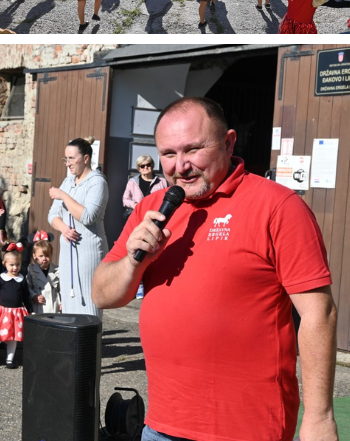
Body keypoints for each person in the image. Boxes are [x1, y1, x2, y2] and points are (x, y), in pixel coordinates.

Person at [92, 97, 338, 441]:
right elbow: (102, 295)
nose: (180, 166)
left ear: (228, 142)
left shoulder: (278, 206)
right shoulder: (151, 210)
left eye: (193, 149)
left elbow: (319, 314)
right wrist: (138, 258)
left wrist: (319, 417)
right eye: (168, 154)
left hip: (248, 428)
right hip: (162, 426)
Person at [47, 137, 107, 316]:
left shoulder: (98, 182)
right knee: (69, 298)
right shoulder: (68, 182)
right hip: (67, 251)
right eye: (66, 159)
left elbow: (88, 216)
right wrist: (64, 229)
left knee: (88, 299)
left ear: (86, 158)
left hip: (89, 251)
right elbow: (52, 215)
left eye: (72, 158)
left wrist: (64, 197)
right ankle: (72, 342)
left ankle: (89, 343)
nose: (68, 164)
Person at [0, 246, 32, 369]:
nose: (15, 268)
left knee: (13, 338)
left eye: (17, 264)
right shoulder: (1, 279)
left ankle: (9, 359)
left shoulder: (21, 279)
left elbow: (26, 296)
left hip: (17, 312)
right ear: (4, 264)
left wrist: (30, 311)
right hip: (4, 313)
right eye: (12, 265)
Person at [122, 155, 167, 221]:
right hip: (137, 216)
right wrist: (134, 204)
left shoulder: (162, 181)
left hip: (155, 217)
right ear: (139, 168)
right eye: (142, 166)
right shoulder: (132, 182)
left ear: (152, 165)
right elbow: (125, 199)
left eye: (148, 165)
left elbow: (166, 199)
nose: (145, 167)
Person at [26, 233, 60, 315]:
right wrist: (34, 296)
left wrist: (62, 302)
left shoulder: (56, 270)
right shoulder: (32, 270)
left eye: (47, 255)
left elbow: (61, 289)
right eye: (40, 256)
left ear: (51, 255)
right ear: (34, 256)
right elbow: (27, 287)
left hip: (54, 306)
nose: (44, 259)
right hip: (39, 307)